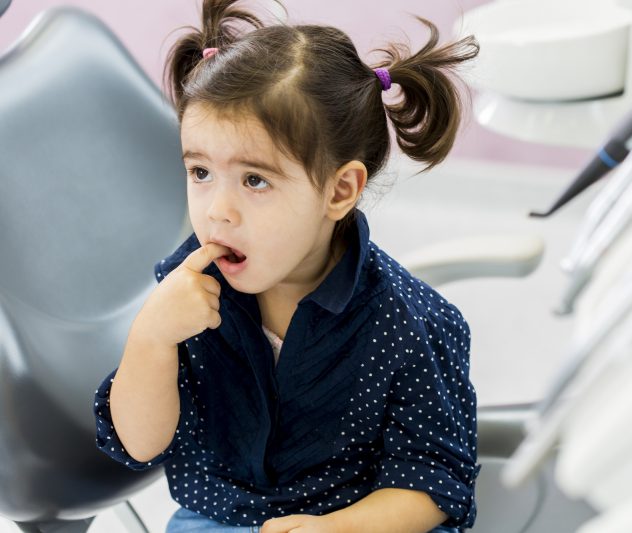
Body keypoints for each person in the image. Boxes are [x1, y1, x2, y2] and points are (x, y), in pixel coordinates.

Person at [93, 1, 481, 531]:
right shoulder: (187, 290)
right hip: (221, 516)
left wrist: (334, 528)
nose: (218, 211)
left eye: (255, 180)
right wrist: (150, 339)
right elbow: (140, 444)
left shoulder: (408, 325)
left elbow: (434, 482)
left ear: (340, 190)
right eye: (201, 172)